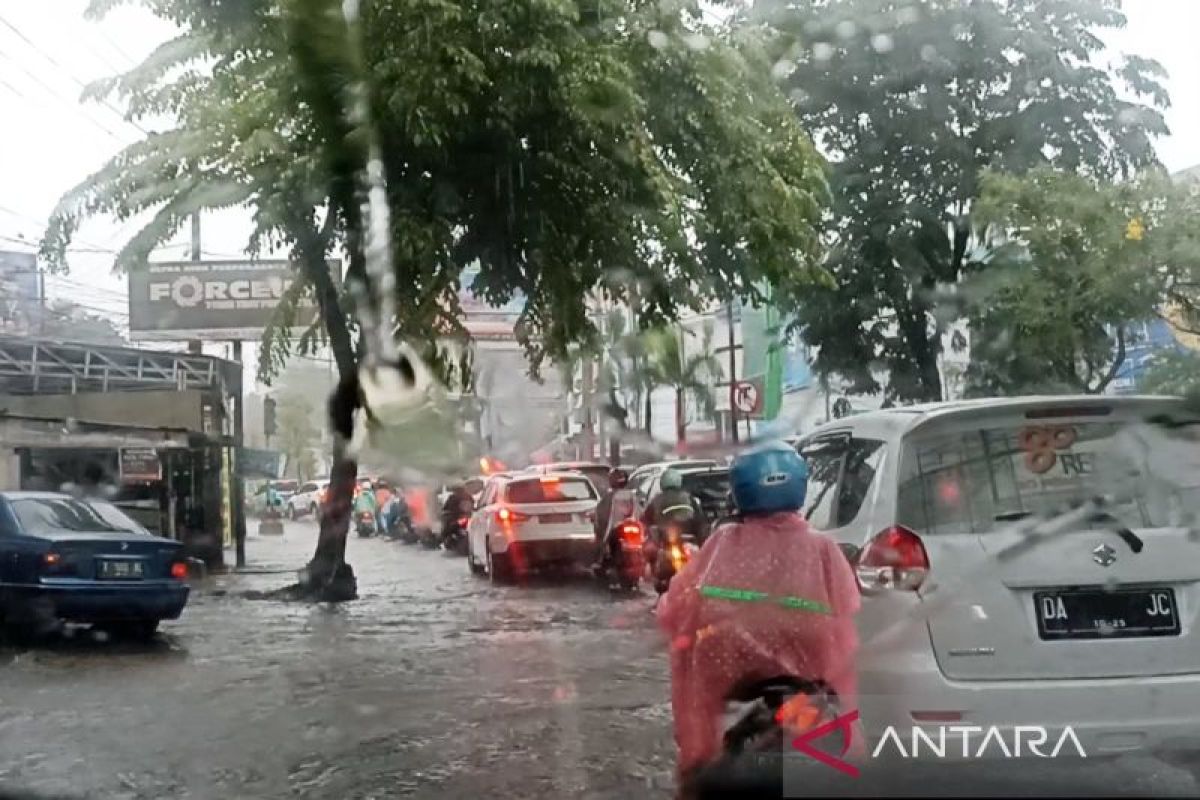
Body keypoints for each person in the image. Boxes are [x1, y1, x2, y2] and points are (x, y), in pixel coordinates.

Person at [656, 441, 862, 793]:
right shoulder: (823, 548)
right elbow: (849, 615)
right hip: (808, 685)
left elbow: (674, 609)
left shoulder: (722, 543)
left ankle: (697, 767)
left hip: (732, 683)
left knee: (703, 766)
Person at [641, 468, 707, 545]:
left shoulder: (657, 499)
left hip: (667, 539)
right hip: (683, 538)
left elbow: (645, 520)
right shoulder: (688, 497)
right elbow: (700, 519)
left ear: (662, 483)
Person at [592, 468, 637, 567]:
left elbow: (600, 517)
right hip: (629, 530)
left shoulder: (609, 497)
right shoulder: (632, 495)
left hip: (615, 530)